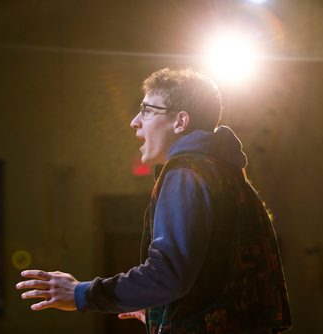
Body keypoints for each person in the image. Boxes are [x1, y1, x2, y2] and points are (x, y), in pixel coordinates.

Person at [16, 68, 291, 333]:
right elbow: (225, 284)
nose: (134, 121)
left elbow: (167, 273)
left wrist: (82, 293)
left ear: (180, 122)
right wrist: (164, 312)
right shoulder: (231, 176)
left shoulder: (185, 173)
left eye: (147, 110)